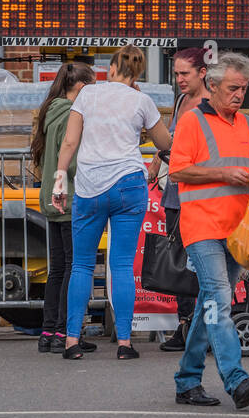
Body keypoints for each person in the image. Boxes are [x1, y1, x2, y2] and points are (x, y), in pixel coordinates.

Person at [169, 52, 249, 410]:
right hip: (202, 226)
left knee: (209, 305)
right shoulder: (192, 122)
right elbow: (178, 171)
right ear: (212, 86)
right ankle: (235, 378)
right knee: (219, 299)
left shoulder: (247, 125)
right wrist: (223, 175)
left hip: (237, 229)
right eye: (233, 88)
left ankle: (187, 380)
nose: (239, 95)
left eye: (243, 88)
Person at [53, 46, 172, 360]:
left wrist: (60, 176)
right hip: (129, 185)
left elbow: (70, 141)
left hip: (90, 187)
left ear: (112, 68)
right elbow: (165, 143)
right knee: (120, 265)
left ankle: (72, 342)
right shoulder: (141, 101)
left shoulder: (88, 95)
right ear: (138, 73)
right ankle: (124, 343)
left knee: (81, 265)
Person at [29, 62, 95, 354]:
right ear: (80, 87)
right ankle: (65, 332)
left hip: (50, 197)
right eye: (91, 87)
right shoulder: (72, 115)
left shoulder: (49, 111)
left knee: (57, 269)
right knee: (74, 266)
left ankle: (48, 330)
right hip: (70, 198)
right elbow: (75, 160)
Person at [156, 46, 208, 353]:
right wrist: (154, 166)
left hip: (198, 196)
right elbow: (172, 142)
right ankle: (185, 325)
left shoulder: (208, 106)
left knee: (200, 262)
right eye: (176, 74)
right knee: (178, 262)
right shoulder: (180, 101)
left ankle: (201, 328)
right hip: (175, 196)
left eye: (184, 73)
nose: (179, 79)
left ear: (202, 73)